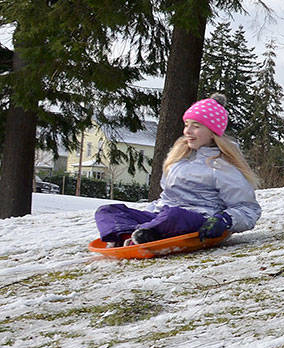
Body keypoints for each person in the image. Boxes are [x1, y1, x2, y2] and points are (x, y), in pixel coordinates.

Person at [94, 94, 261, 246]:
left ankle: (145, 233)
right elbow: (166, 197)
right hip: (164, 216)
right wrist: (147, 213)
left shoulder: (222, 165)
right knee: (107, 211)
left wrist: (224, 220)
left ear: (212, 132)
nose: (187, 131)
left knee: (174, 216)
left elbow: (247, 208)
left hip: (197, 220)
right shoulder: (179, 158)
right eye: (187, 124)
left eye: (196, 126)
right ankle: (133, 235)